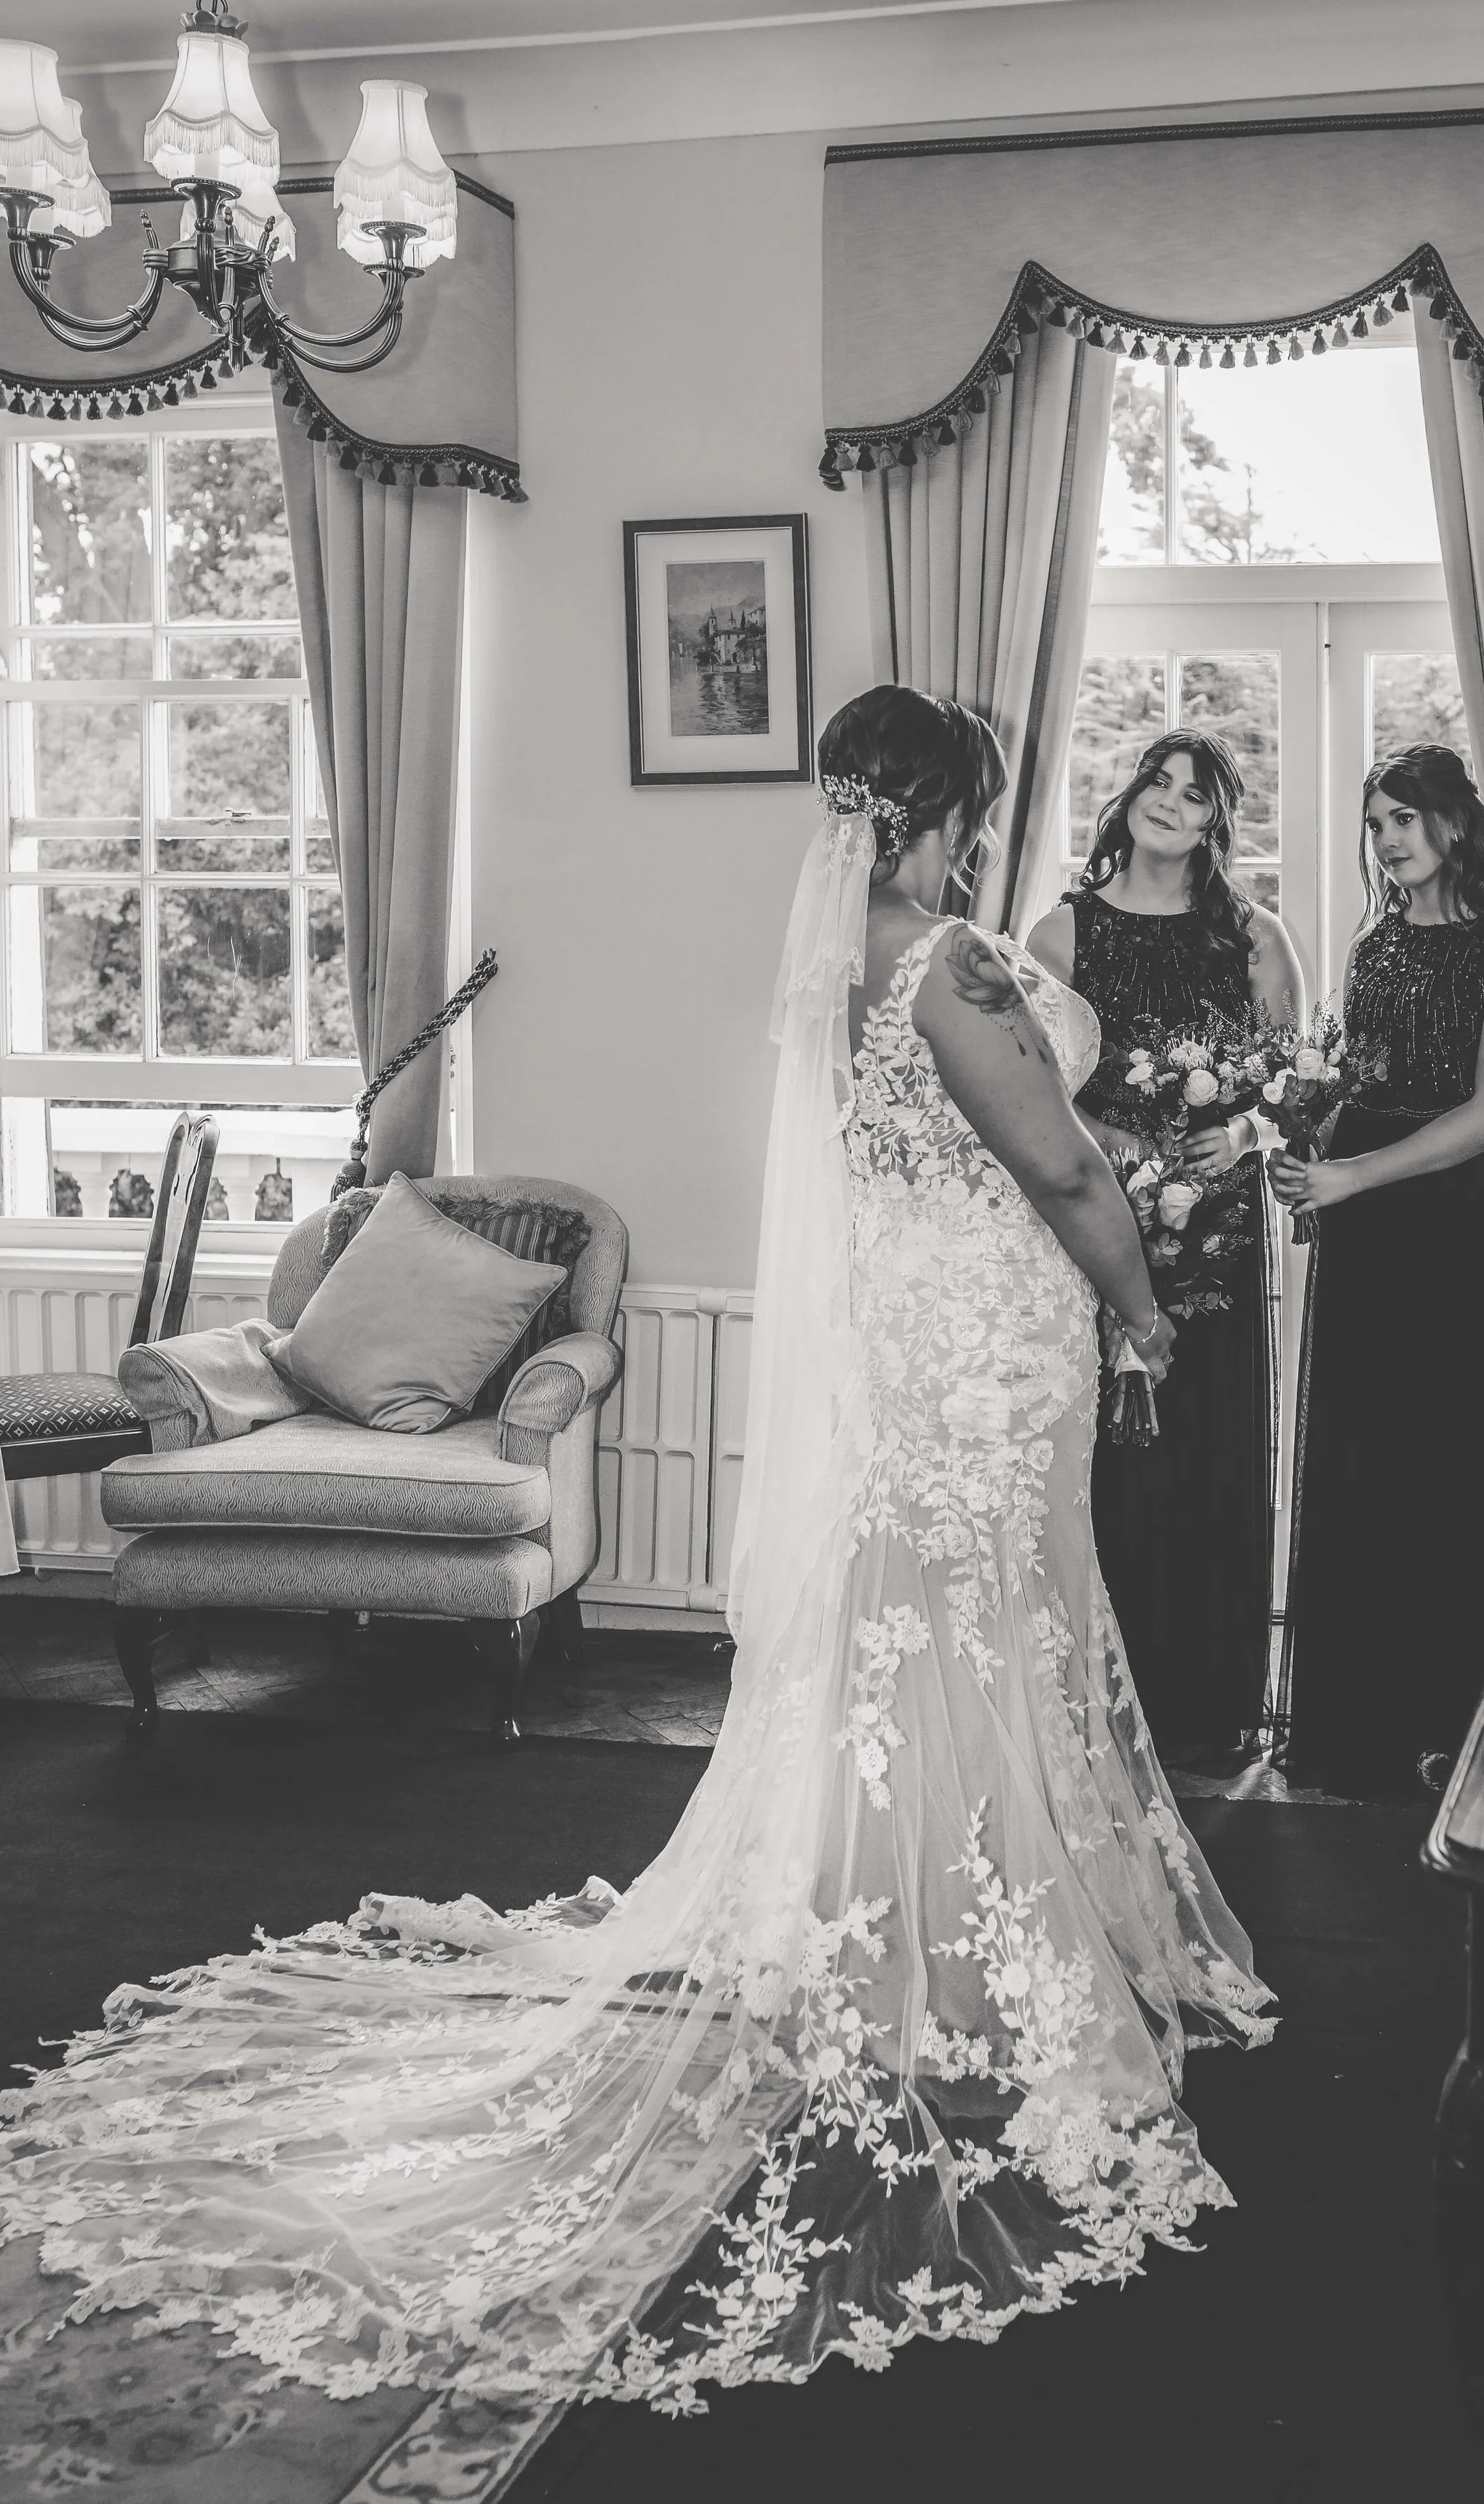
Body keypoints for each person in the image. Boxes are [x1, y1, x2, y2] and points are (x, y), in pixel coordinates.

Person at [0, 685, 1273, 2422]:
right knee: (974, 1615)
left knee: (938, 1622)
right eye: (972, 810)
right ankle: (954, 1947)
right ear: (929, 813)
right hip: (985, 1334)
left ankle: (914, 1915)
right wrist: (1140, 1308)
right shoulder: (951, 967)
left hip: (932, 1324)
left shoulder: (846, 963)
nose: (983, 838)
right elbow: (1048, 1164)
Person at [1269, 743, 1484, 1800]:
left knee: (1444, 1456)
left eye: (1404, 818)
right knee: (1363, 1454)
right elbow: (1357, 1075)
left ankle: (1448, 1720)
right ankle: (1359, 1718)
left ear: (1454, 823)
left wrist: (1355, 1177)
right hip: (1365, 1217)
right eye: (1376, 821)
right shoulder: (1376, 939)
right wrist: (1306, 1134)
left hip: (1445, 1217)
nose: (1387, 839)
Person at [1027, 731, 1303, 1775]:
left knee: (1209, 1456)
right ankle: (1099, 1702)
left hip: (1221, 1241)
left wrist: (1241, 1136)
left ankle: (1206, 1704)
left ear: (1214, 827)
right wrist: (1117, 1144)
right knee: (1108, 1464)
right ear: (1132, 796)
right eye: (1159, 781)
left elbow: (1294, 1093)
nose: (1170, 803)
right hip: (1099, 1236)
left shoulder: (1257, 938)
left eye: (1195, 795)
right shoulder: (1061, 934)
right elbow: (1031, 1095)